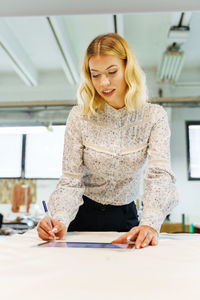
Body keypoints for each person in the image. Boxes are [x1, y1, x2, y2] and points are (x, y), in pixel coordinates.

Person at [37, 33, 178, 249]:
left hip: (126, 218)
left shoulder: (154, 116)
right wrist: (60, 218)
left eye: (112, 72)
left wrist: (150, 224)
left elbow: (159, 175)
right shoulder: (80, 116)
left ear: (127, 69)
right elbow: (71, 180)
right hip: (80, 217)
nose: (104, 83)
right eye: (95, 75)